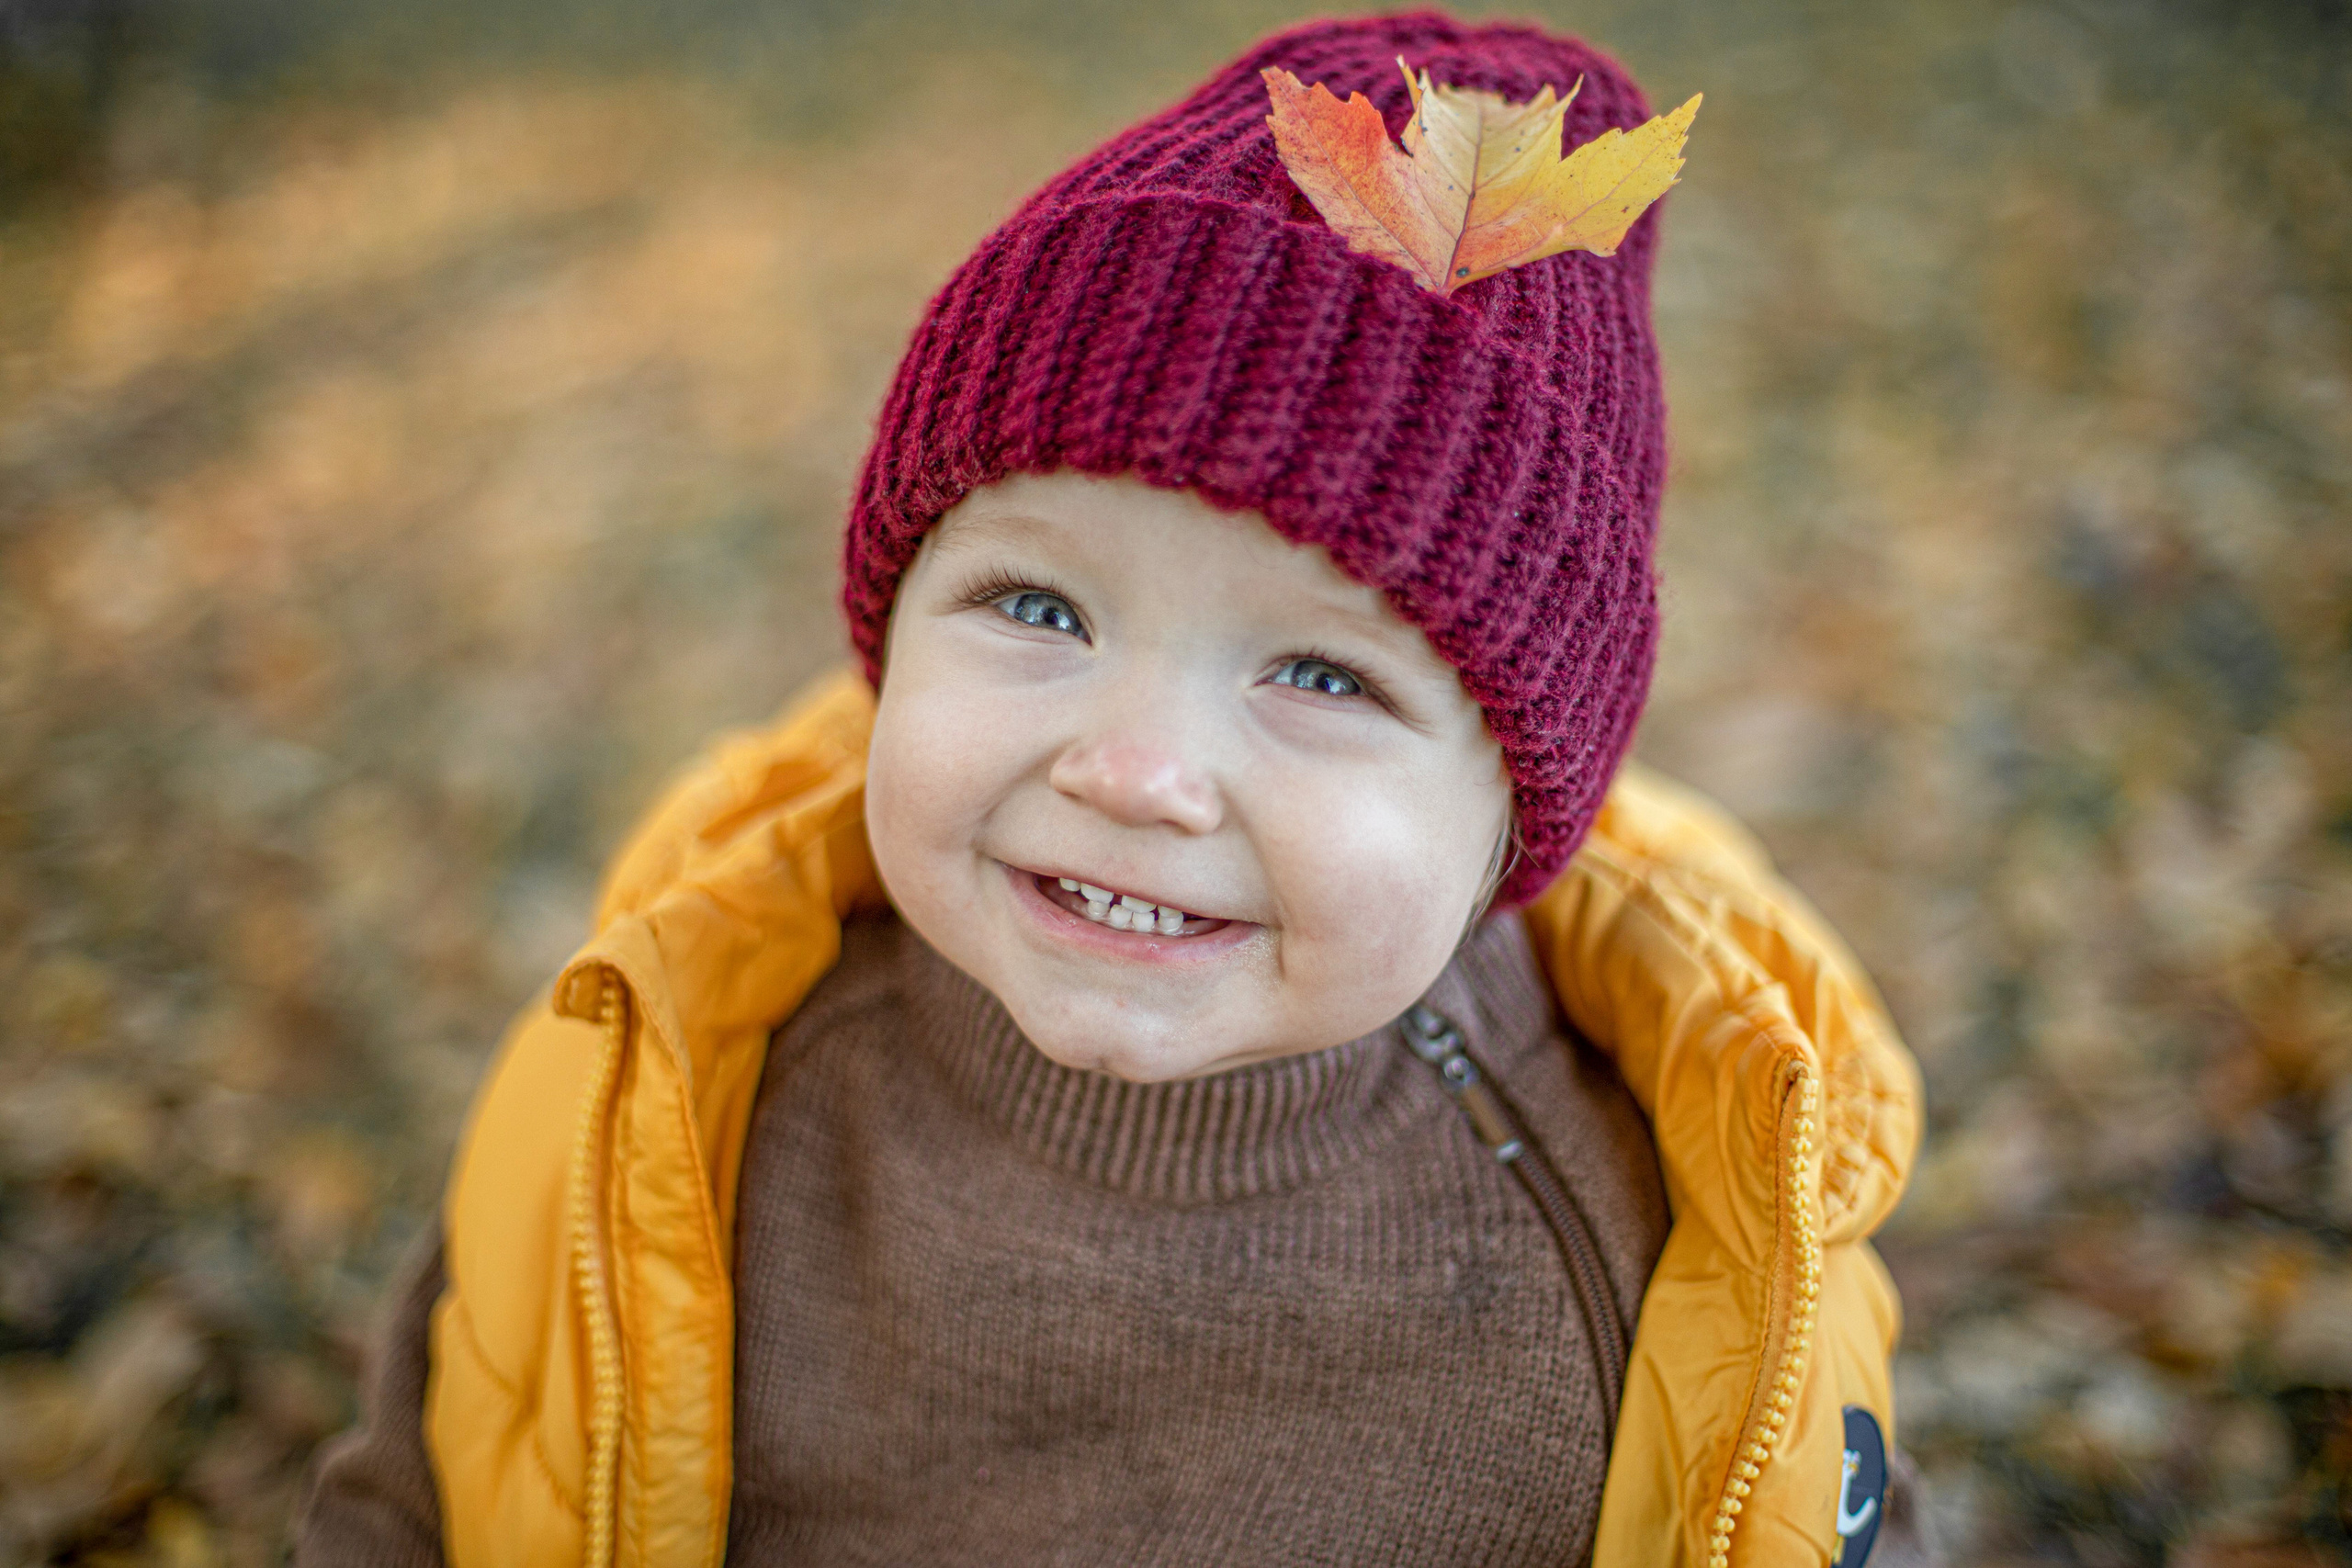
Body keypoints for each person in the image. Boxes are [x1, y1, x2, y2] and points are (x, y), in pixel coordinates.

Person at [296, 11, 1929, 1565]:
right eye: (1039, 609)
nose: (1136, 773)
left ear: (1517, 810)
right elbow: (436, 1483)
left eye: (1321, 677)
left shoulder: (1654, 1245)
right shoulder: (685, 1085)